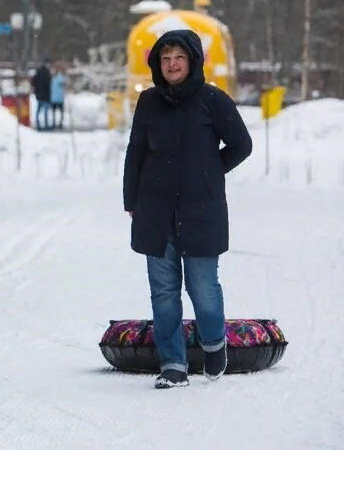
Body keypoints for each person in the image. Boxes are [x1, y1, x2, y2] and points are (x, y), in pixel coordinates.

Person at [122, 30, 252, 389]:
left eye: (178, 57)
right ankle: (173, 364)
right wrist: (131, 199)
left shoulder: (213, 100)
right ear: (156, 64)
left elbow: (242, 144)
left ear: (192, 60)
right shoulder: (148, 102)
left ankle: (213, 343)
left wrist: (210, 172)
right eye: (165, 59)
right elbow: (136, 151)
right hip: (155, 209)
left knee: (202, 288)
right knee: (163, 291)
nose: (172, 64)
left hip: (201, 210)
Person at [31, 60, 52, 130]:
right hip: (46, 95)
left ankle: (38, 124)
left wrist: (36, 91)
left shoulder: (38, 73)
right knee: (45, 111)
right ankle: (46, 125)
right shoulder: (47, 73)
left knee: (38, 111)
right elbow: (48, 85)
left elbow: (33, 82)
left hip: (39, 95)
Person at [50, 63, 67, 130]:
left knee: (54, 112)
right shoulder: (62, 77)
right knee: (61, 112)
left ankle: (54, 123)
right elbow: (64, 85)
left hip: (54, 97)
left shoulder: (53, 78)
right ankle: (60, 123)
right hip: (59, 98)